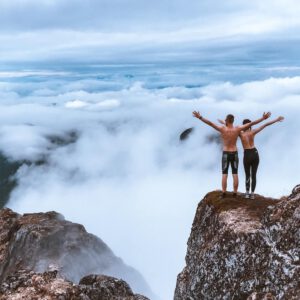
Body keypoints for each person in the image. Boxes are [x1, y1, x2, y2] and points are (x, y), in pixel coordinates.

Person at [192, 111, 271, 197]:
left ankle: (224, 192)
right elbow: (251, 123)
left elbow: (210, 123)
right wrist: (263, 118)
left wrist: (200, 117)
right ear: (233, 121)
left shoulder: (222, 129)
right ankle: (235, 192)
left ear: (226, 120)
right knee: (235, 173)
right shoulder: (237, 129)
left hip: (226, 153)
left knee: (224, 174)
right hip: (234, 153)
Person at [239, 116, 284, 199]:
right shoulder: (253, 131)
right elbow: (266, 124)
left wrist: (225, 123)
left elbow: (231, 130)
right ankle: (252, 194)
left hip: (247, 154)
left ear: (243, 125)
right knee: (254, 175)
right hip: (255, 153)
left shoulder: (240, 134)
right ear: (250, 125)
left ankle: (247, 193)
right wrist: (276, 119)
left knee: (247, 174)